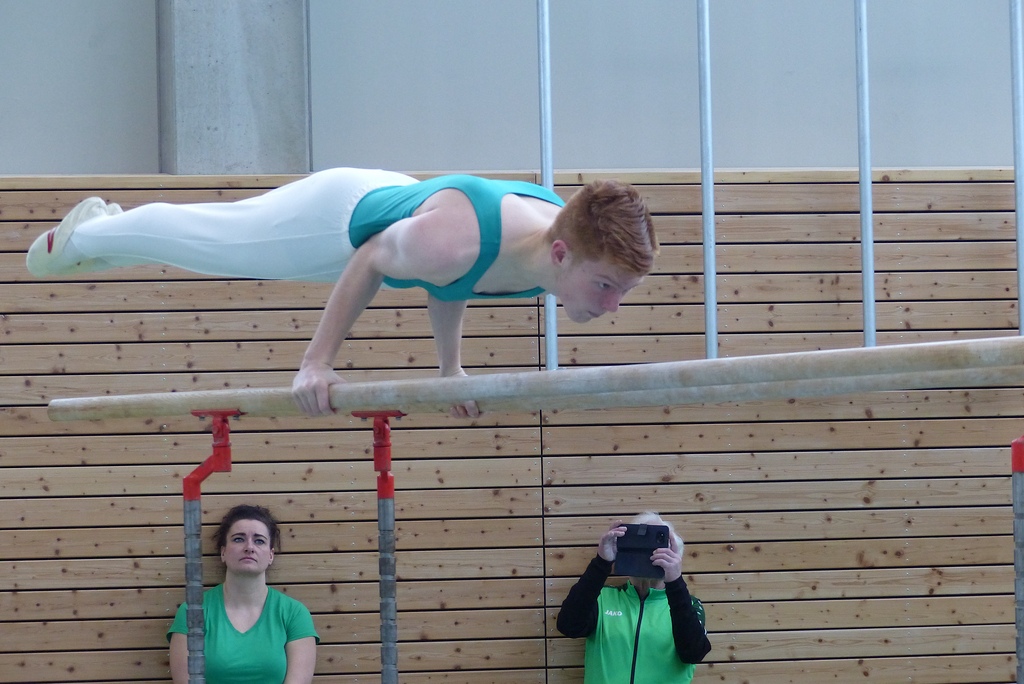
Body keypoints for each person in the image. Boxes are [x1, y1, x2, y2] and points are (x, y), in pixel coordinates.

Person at [25, 168, 658, 417]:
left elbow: (454, 282)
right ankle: (90, 232)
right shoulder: (456, 239)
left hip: (396, 207)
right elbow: (379, 256)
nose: (612, 307)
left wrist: (450, 370)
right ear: (560, 253)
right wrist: (317, 362)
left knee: (208, 243)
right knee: (213, 241)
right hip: (338, 222)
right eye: (606, 287)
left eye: (623, 291)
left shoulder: (548, 249)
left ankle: (108, 235)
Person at [167, 504, 319, 684]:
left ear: (271, 555)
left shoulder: (294, 613)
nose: (249, 547)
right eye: (239, 539)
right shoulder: (192, 612)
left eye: (259, 541)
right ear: (223, 552)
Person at [556, 512, 711, 684]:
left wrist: (675, 581)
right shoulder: (602, 598)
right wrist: (601, 562)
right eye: (640, 544)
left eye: (659, 544)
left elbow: (694, 653)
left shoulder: (688, 604)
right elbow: (569, 626)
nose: (650, 553)